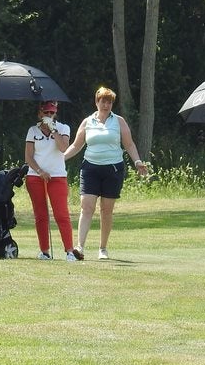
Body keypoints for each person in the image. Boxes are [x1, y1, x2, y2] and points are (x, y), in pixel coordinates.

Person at [63, 86, 148, 260]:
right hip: (90, 169)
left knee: (106, 210)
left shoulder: (119, 121)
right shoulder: (87, 122)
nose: (106, 105)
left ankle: (102, 248)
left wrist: (138, 161)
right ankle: (80, 247)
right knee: (86, 207)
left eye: (109, 102)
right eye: (103, 101)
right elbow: (76, 145)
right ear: (97, 102)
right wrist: (61, 159)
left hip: (113, 169)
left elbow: (129, 144)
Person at [24, 100, 76, 261]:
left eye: (51, 113)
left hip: (57, 176)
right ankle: (44, 251)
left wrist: (53, 130)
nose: (48, 115)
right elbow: (28, 157)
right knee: (41, 216)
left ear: (55, 114)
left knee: (61, 214)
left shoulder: (63, 128)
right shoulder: (32, 131)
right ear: (40, 113)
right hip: (35, 177)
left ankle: (69, 251)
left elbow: (63, 148)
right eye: (46, 113)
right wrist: (40, 171)